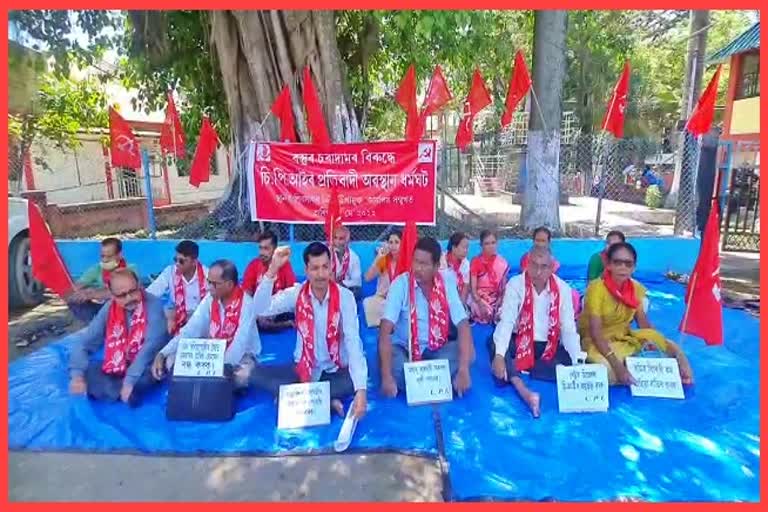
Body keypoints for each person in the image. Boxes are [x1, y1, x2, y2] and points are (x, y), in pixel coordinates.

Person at [249, 242, 368, 418]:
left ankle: (296, 399)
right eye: (315, 268)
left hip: (335, 371)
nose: (321, 274)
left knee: (355, 382)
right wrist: (272, 269)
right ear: (306, 270)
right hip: (303, 369)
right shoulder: (296, 294)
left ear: (330, 268)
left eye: (325, 267)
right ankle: (325, 401)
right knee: (253, 374)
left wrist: (361, 391)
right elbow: (260, 309)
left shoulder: (345, 297)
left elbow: (353, 342)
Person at [579, 242, 694, 386]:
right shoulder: (596, 288)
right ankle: (630, 367)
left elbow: (643, 323)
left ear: (634, 267)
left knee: (671, 346)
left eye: (628, 264)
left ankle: (682, 373)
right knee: (608, 371)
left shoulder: (635, 288)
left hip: (623, 337)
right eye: (617, 262)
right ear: (608, 265)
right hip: (597, 342)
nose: (623, 268)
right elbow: (595, 333)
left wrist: (652, 342)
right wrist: (617, 366)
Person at [488, 246, 581, 417]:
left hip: (549, 345)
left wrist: (577, 364)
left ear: (552, 268)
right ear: (527, 264)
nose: (538, 271)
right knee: (495, 345)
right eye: (534, 265)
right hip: (520, 341)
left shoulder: (563, 289)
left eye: (544, 266)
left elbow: (568, 329)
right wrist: (500, 355)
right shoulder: (515, 284)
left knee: (572, 362)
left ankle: (523, 369)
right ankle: (524, 391)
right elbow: (507, 321)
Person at [378, 237, 473, 398]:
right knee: (389, 363)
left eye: (424, 264)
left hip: (437, 349)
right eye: (415, 262)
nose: (417, 268)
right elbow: (385, 330)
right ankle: (437, 380)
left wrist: (464, 369)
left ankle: (421, 382)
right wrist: (386, 377)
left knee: (469, 352)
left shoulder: (447, 282)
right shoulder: (400, 284)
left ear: (436, 267)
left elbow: (463, 325)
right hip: (405, 350)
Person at [151, 260, 259, 389]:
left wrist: (213, 370)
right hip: (212, 349)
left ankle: (208, 386)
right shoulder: (210, 299)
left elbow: (239, 345)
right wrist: (163, 353)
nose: (208, 287)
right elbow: (190, 329)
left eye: (214, 284)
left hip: (241, 356)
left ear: (230, 284)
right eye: (208, 282)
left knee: (242, 377)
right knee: (171, 360)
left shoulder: (247, 304)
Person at [68, 268, 168, 406]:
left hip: (146, 363)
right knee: (87, 372)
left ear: (140, 286)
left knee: (151, 374)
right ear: (112, 295)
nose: (129, 298)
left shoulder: (154, 304)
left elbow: (150, 348)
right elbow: (86, 343)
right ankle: (121, 392)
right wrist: (77, 376)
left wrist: (129, 381)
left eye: (133, 291)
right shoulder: (110, 308)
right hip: (120, 362)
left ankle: (119, 391)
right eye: (122, 295)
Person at [66, 238, 138, 324]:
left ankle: (106, 324)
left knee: (115, 300)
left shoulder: (130, 269)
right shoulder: (97, 269)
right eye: (102, 256)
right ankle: (94, 322)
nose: (105, 260)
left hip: (119, 306)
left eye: (109, 256)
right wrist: (81, 292)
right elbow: (75, 287)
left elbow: (117, 293)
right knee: (74, 300)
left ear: (119, 255)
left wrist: (92, 293)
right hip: (100, 307)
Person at [145, 240, 208, 335]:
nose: (177, 264)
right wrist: (169, 316)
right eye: (175, 260)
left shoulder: (207, 274)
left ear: (194, 262)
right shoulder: (169, 272)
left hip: (200, 319)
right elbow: (150, 294)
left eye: (182, 261)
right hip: (176, 316)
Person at [242, 230, 297, 331]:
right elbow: (247, 293)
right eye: (260, 248)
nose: (262, 252)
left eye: (266, 248)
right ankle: (282, 324)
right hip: (258, 308)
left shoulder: (285, 266)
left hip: (277, 308)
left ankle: (281, 323)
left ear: (275, 249)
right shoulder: (253, 265)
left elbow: (290, 293)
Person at [362, 230, 402, 327]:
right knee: (368, 302)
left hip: (399, 301)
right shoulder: (383, 260)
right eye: (390, 242)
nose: (393, 246)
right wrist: (378, 258)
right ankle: (383, 325)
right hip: (383, 300)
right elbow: (367, 278)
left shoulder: (406, 261)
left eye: (397, 242)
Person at [469, 229, 509, 324]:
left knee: (507, 311)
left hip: (497, 297)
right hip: (480, 297)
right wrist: (480, 303)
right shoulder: (476, 262)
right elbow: (473, 289)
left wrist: (501, 300)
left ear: (497, 243)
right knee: (483, 312)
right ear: (481, 245)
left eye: (493, 243)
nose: (491, 246)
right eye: (487, 243)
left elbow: (504, 288)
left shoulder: (502, 262)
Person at [331, 225, 362, 300]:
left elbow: (357, 281)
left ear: (347, 241)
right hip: (329, 287)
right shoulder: (327, 254)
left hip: (346, 288)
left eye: (341, 239)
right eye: (335, 238)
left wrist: (341, 284)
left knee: (356, 291)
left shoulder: (354, 257)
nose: (337, 242)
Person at [440, 232, 471, 306]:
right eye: (464, 247)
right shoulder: (440, 260)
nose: (466, 251)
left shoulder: (465, 264)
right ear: (454, 248)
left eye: (467, 248)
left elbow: (465, 287)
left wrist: (460, 307)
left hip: (457, 300)